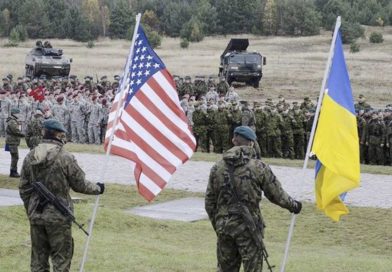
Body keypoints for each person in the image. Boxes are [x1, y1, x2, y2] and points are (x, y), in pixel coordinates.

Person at [205, 126, 302, 272]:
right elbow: (277, 195)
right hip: (249, 227)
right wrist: (294, 205)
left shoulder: (217, 167)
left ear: (233, 140)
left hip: (224, 227)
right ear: (251, 143)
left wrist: (219, 223)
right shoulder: (259, 167)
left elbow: (209, 202)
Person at [19, 119, 105, 272]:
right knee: (61, 260)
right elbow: (80, 184)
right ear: (59, 135)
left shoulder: (31, 156)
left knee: (38, 260)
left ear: (44, 133)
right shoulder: (65, 157)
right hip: (59, 217)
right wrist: (98, 188)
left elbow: (24, 188)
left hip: (36, 216)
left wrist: (31, 209)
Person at [6, 108, 25, 177]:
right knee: (15, 157)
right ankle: (13, 172)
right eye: (18, 113)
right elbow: (15, 131)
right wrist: (23, 134)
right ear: (14, 114)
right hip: (12, 141)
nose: (19, 115)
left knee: (14, 157)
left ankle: (13, 171)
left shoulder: (13, 120)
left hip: (12, 141)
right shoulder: (12, 121)